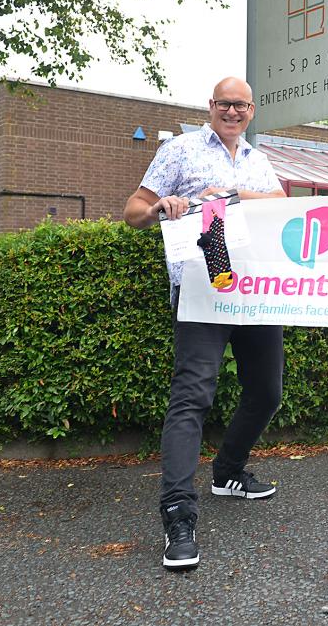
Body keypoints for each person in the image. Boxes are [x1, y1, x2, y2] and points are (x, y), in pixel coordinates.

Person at [124, 76, 287, 570]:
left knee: (267, 391)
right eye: (224, 104)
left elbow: (283, 206)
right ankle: (178, 515)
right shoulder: (181, 151)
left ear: (252, 111)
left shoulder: (257, 162)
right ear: (211, 106)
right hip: (201, 291)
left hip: (255, 293)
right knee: (192, 397)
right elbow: (132, 211)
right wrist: (160, 207)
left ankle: (229, 471)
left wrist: (235, 195)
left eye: (241, 106)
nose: (232, 112)